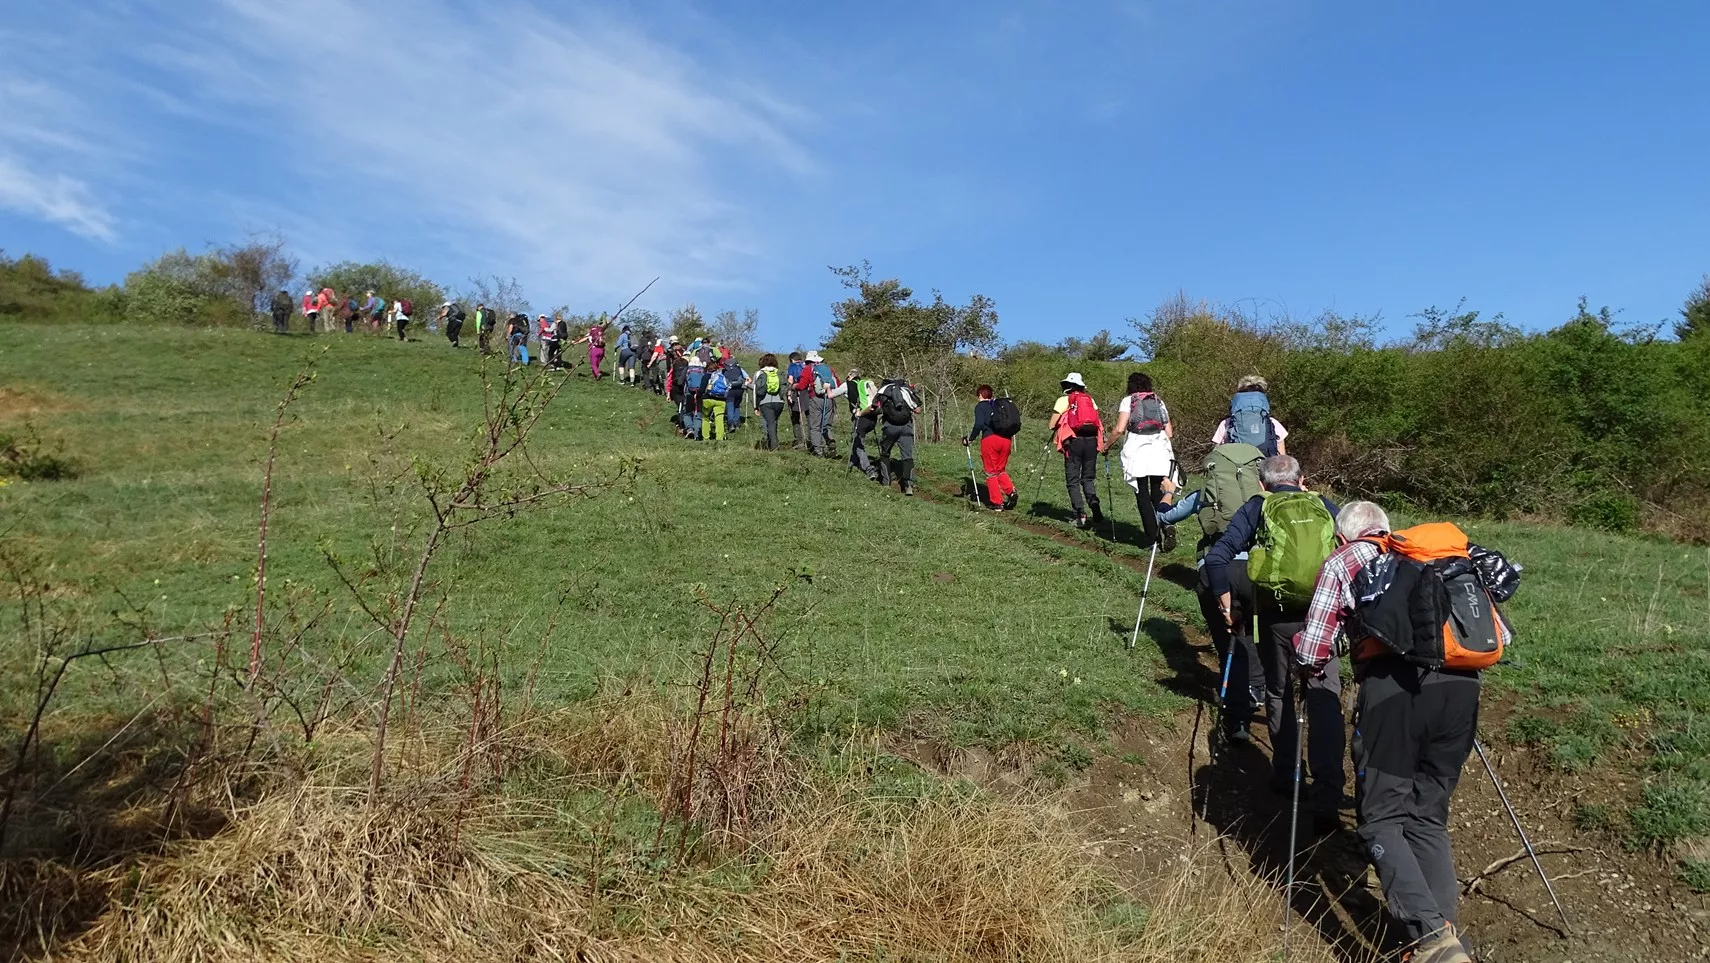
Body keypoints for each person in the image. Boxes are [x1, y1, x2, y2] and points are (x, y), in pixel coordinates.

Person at [1293, 501, 1501, 963]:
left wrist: (1307, 663)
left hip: (1396, 694)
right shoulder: (1441, 558)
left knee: (1382, 818)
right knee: (1427, 818)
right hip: (1462, 690)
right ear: (1388, 529)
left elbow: (1311, 650)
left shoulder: (1346, 560)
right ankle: (1442, 939)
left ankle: (1429, 939)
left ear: (1344, 535)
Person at [1203, 454, 1341, 831]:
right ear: (1303, 479)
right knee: (1324, 695)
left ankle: (1286, 775)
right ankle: (1328, 790)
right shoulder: (1323, 505)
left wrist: (1227, 605)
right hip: (1323, 617)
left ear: (1262, 485)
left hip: (1276, 618)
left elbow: (1217, 559)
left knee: (1278, 692)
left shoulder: (1257, 507)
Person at [1108, 372, 1176, 549]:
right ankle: (1167, 524)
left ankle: (1152, 539)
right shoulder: (1158, 401)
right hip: (1160, 450)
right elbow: (1169, 432)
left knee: (1142, 495)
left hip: (1138, 451)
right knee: (1158, 493)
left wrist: (1106, 446)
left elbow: (1120, 428)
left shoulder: (1128, 401)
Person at [1046, 373, 1104, 528]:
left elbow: (1052, 424)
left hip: (1074, 442)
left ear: (1068, 386)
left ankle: (1080, 515)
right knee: (1088, 478)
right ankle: (1094, 503)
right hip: (1091, 441)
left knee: (1073, 480)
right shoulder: (1090, 400)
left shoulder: (1063, 400)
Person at [964, 385, 1017, 510]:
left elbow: (979, 424)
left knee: (991, 472)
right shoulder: (998, 405)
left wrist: (971, 438)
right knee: (1000, 470)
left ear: (980, 395)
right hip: (1006, 439)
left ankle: (996, 502)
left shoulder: (980, 407)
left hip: (990, 440)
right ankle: (1011, 491)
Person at [1212, 375, 1288, 457]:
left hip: (1238, 468)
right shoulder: (1273, 423)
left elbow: (1216, 454)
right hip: (1267, 467)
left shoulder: (1226, 423)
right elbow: (1282, 456)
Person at [874, 378, 921, 495]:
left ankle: (886, 482)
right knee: (907, 456)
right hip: (906, 427)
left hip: (889, 427)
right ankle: (908, 485)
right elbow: (918, 410)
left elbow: (875, 408)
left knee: (885, 453)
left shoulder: (883, 391)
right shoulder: (906, 391)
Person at [794, 350, 838, 457]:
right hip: (829, 399)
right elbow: (838, 383)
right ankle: (830, 441)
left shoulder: (808, 369)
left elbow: (802, 385)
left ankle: (818, 451)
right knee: (826, 424)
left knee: (815, 426)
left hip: (815, 398)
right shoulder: (829, 369)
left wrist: (795, 386)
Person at [844, 368, 880, 480]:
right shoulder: (867, 383)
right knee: (858, 440)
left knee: (857, 442)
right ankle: (854, 461)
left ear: (850, 376)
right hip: (873, 417)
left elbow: (852, 398)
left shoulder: (850, 384)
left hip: (862, 416)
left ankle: (868, 469)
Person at [752, 353, 788, 450]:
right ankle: (772, 442)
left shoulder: (759, 373)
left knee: (770, 423)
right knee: (774, 422)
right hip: (779, 402)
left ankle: (774, 446)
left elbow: (756, 390)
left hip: (765, 402)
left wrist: (755, 406)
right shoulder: (779, 372)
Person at [702, 360, 730, 441]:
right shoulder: (722, 376)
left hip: (708, 399)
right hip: (721, 400)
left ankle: (706, 437)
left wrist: (699, 396)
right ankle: (719, 438)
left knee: (705, 418)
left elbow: (701, 389)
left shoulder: (706, 376)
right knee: (719, 419)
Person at [785, 351, 807, 450]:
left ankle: (799, 439)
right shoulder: (806, 365)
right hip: (807, 391)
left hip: (796, 390)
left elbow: (790, 380)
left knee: (795, 416)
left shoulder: (792, 366)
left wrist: (789, 393)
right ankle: (811, 439)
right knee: (809, 415)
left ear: (792, 359)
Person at [724, 355, 748, 431]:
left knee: (730, 406)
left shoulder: (724, 370)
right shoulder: (739, 369)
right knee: (736, 406)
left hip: (730, 390)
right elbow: (748, 378)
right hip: (739, 389)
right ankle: (737, 423)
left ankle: (731, 424)